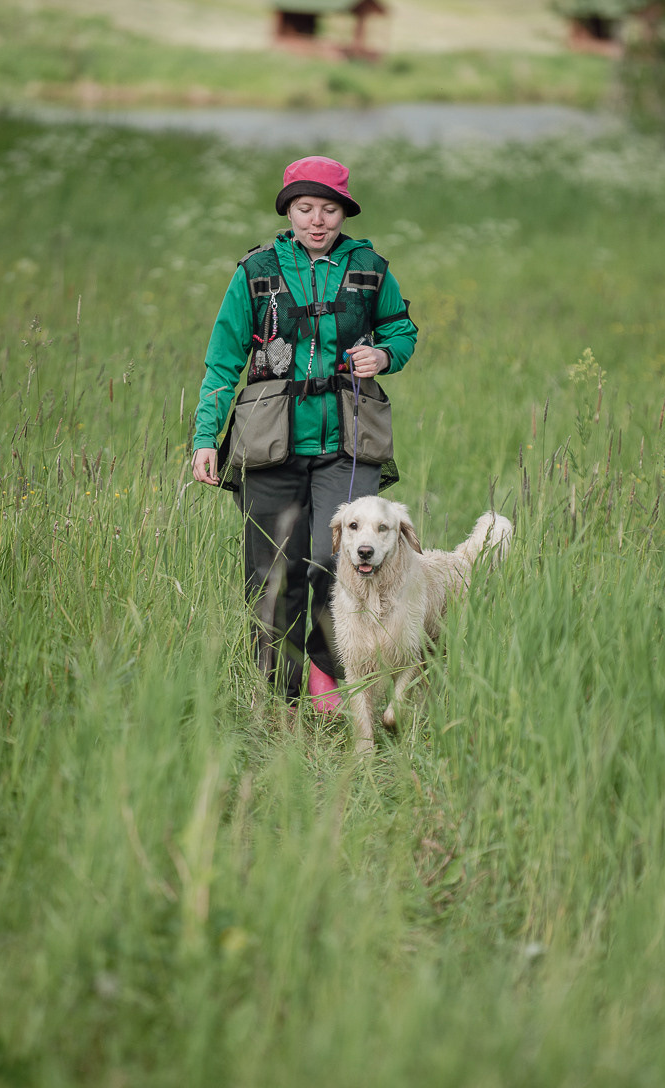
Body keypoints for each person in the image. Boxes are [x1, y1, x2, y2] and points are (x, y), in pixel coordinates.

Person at [191, 155, 418, 710]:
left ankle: (329, 671)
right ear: (288, 210)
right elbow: (223, 359)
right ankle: (279, 696)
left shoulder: (370, 268)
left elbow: (401, 329)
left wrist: (384, 355)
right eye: (305, 208)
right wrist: (205, 437)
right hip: (268, 443)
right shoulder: (256, 272)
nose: (317, 220)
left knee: (335, 558)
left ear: (345, 212)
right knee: (273, 570)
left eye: (329, 209)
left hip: (348, 441)